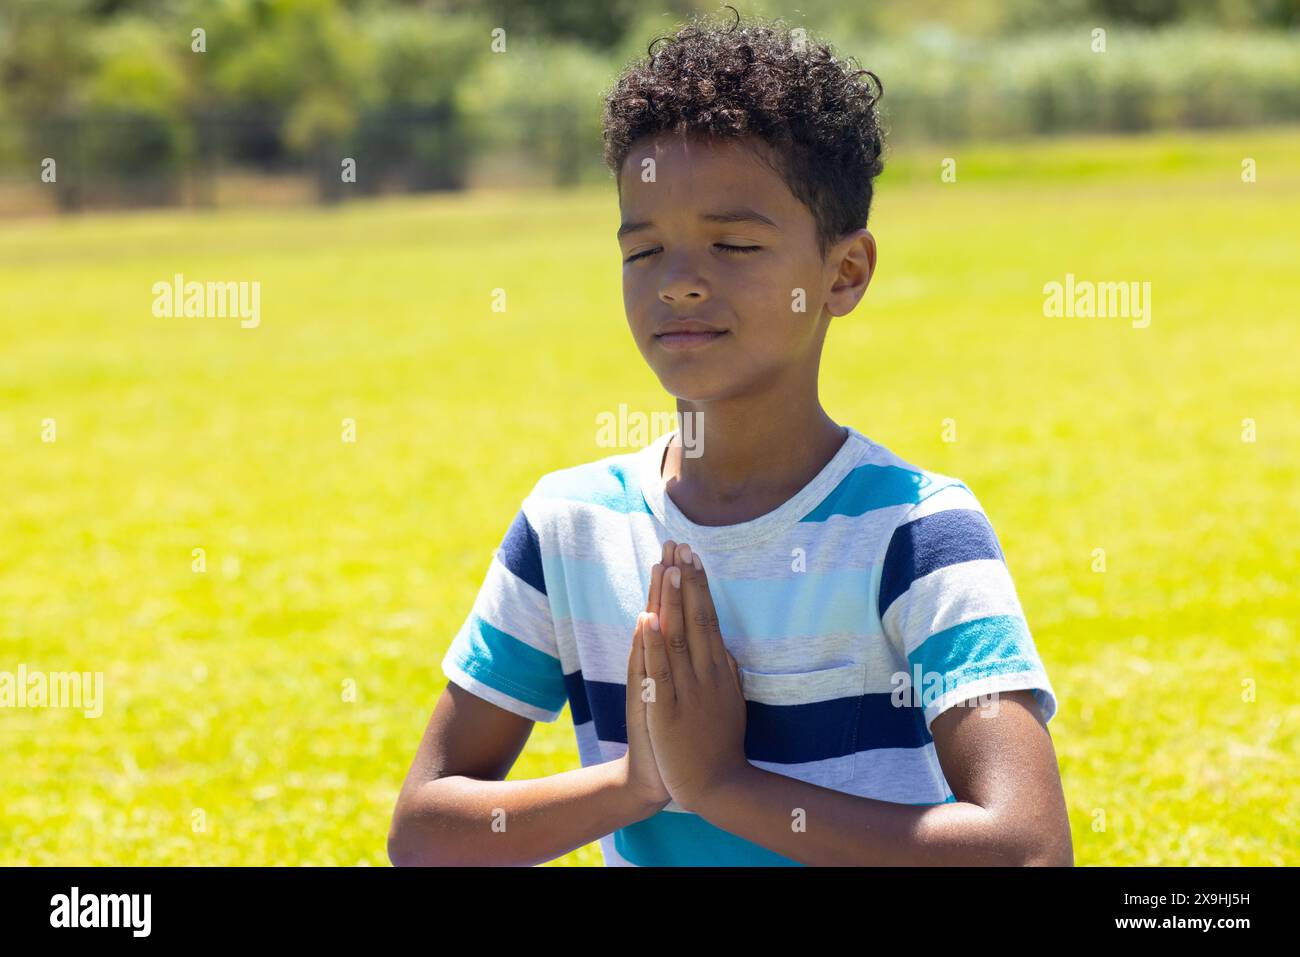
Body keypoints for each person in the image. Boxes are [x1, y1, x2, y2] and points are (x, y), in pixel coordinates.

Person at [388, 7, 1072, 867]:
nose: (678, 283)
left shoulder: (915, 530)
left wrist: (724, 786)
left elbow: (1028, 848)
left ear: (843, 272)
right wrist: (639, 783)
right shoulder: (570, 525)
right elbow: (424, 835)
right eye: (643, 252)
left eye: (734, 244)